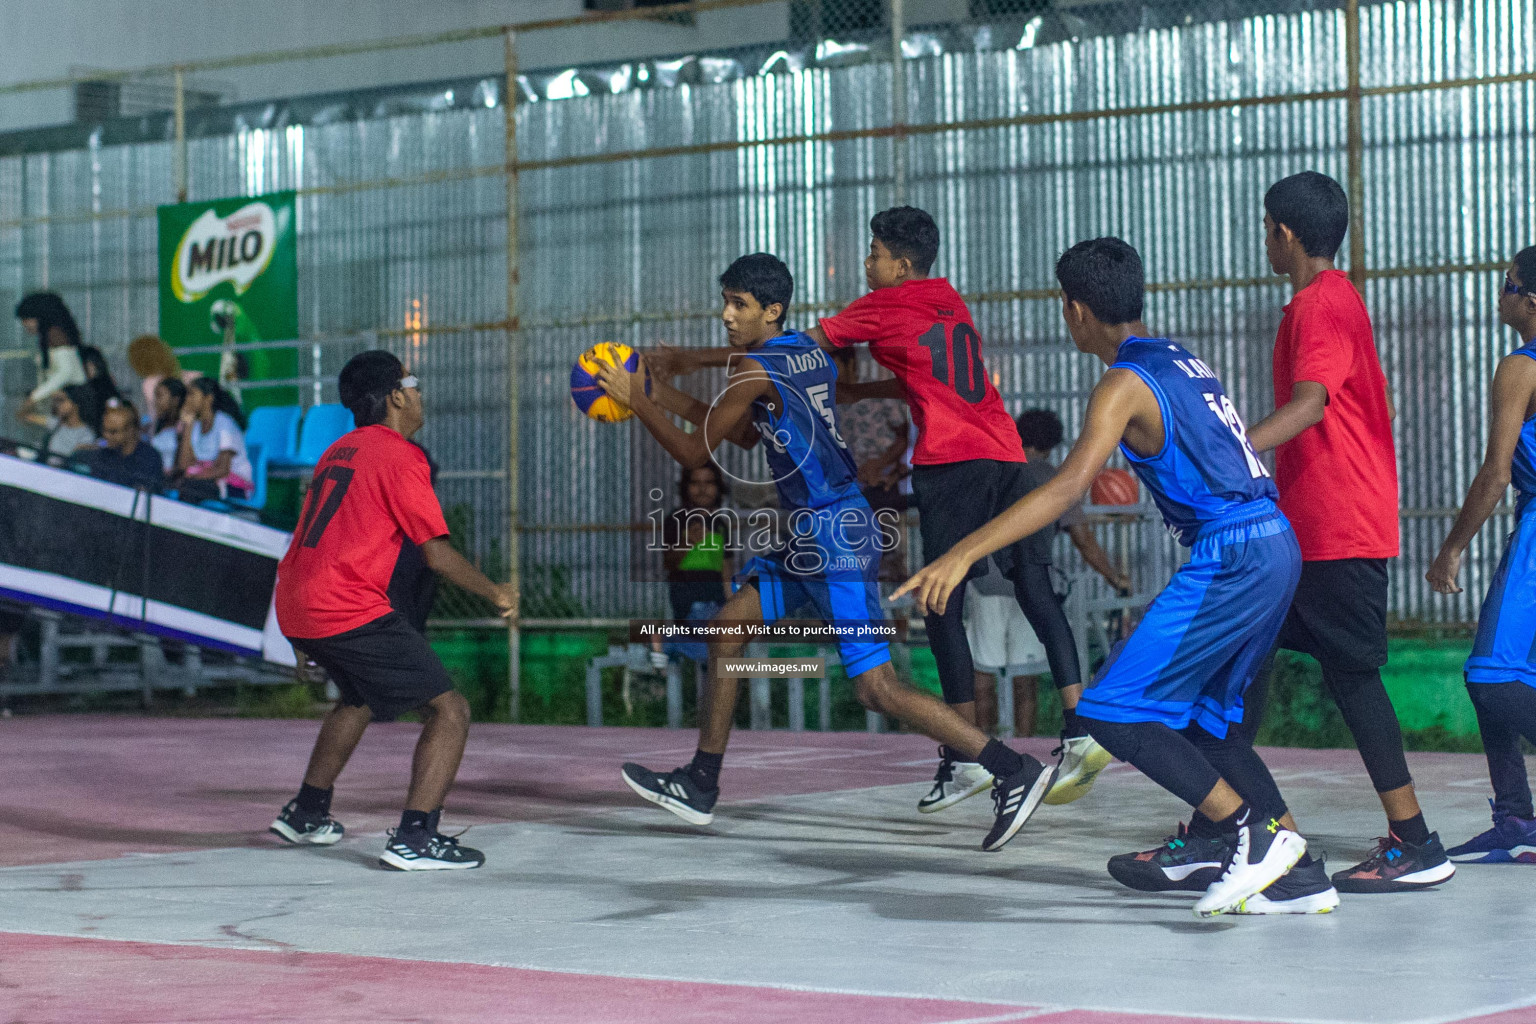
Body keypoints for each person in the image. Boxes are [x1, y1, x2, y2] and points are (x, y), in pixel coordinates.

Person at [897, 238, 1326, 918]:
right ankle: (1302, 872)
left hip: (1235, 551)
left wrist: (959, 552)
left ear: (1074, 311)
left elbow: (1068, 488)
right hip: (1273, 541)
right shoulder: (1181, 357)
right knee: (1209, 726)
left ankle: (1250, 835)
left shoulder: (1123, 381)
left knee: (1113, 710)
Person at [647, 208, 1103, 812]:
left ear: (771, 312)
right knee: (730, 628)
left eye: (738, 304)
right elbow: (741, 432)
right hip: (894, 501)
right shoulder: (906, 315)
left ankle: (1004, 765)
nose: (727, 314)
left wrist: (638, 397)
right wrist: (655, 388)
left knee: (885, 680)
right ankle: (702, 781)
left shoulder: (790, 352)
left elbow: (693, 446)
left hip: (850, 526)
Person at [1243, 171, 1454, 893]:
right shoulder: (1324, 300)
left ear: (1285, 235)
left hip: (1337, 526)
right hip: (1312, 527)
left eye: (1266, 229)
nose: (1264, 240)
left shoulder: (1321, 304)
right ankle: (1245, 825)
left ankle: (1416, 840)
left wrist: (1232, 452)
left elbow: (1308, 405)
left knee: (1350, 676)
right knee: (1243, 659)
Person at [269, 350, 516, 871]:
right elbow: (436, 553)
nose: (421, 394)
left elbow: (307, 543)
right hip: (344, 605)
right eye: (415, 384)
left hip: (299, 601)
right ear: (397, 397)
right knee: (450, 711)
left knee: (357, 699)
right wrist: (495, 592)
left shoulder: (338, 451)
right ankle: (416, 836)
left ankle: (307, 812)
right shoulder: (401, 455)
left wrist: (297, 633)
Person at [1426, 246, 1536, 865]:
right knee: (1509, 672)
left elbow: (1496, 471)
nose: (1500, 292)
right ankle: (1516, 818)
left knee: (1490, 676)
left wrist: (1452, 548)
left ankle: (1518, 816)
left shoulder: (1521, 365)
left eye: (1507, 283)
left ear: (1530, 300)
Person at [968, 409, 1131, 751]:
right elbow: (1084, 542)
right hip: (1033, 587)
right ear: (1054, 442)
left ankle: (981, 750)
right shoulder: (1056, 480)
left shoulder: (993, 474)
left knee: (982, 675)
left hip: (986, 582)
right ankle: (1025, 749)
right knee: (1024, 679)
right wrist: (1116, 578)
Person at [649, 463, 735, 669]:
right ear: (686, 487)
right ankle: (670, 641)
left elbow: (726, 571)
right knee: (719, 650)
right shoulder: (676, 520)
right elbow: (668, 562)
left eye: (709, 483)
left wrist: (733, 606)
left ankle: (670, 643)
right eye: (695, 483)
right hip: (692, 604)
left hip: (717, 604)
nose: (702, 489)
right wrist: (688, 542)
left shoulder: (720, 525)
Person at [173, 377, 253, 502]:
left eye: (192, 394)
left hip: (234, 485)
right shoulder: (195, 425)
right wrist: (188, 426)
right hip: (206, 481)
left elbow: (223, 469)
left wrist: (194, 476)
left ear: (208, 398)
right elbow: (184, 464)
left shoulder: (224, 424)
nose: (187, 399)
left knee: (189, 488)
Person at [14, 293, 85, 412]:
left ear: (40, 317)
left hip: (75, 403)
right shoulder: (49, 336)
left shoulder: (56, 335)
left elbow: (65, 373)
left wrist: (34, 398)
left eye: (26, 319)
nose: (24, 324)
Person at [87, 399, 163, 491]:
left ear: (130, 430)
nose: (106, 436)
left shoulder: (150, 458)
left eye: (113, 432)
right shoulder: (101, 456)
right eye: (104, 430)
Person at [14, 384, 97, 460]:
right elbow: (24, 416)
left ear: (75, 403)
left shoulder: (86, 435)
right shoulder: (56, 423)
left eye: (61, 400)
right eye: (56, 400)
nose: (57, 404)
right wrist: (32, 399)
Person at [148, 378, 188, 473]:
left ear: (175, 400)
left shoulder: (184, 427)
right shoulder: (158, 424)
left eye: (160, 396)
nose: (156, 401)